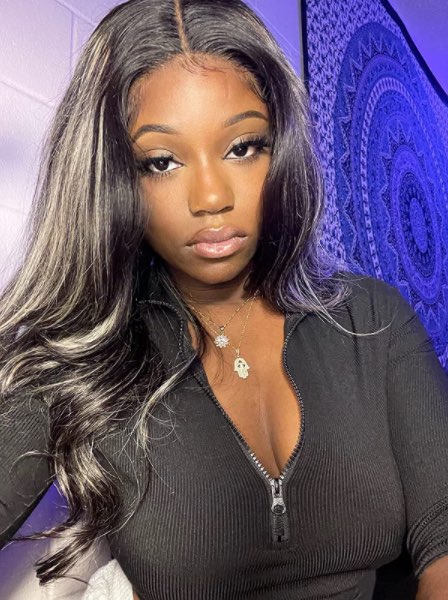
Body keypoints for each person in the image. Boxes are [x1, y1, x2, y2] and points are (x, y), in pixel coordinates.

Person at [1, 0, 448, 598]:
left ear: (280, 148)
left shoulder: (372, 319)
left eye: (242, 147)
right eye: (161, 162)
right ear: (114, 180)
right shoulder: (81, 360)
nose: (211, 197)